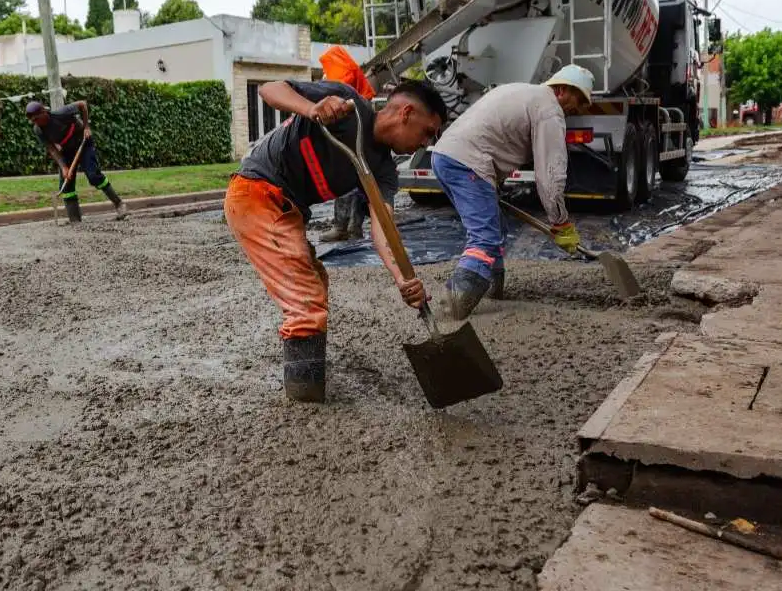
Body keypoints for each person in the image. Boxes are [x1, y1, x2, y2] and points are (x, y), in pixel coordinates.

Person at [225, 77, 449, 403]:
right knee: (305, 298)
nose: (425, 143)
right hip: (256, 192)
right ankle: (306, 402)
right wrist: (312, 108)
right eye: (427, 132)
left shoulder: (384, 170)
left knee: (315, 278)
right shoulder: (347, 105)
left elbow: (383, 227)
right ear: (406, 113)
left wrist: (404, 280)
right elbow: (270, 89)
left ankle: (306, 377)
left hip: (285, 206)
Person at [430, 64, 594, 321]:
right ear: (562, 90)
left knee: (495, 228)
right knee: (484, 237)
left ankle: (494, 292)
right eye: (579, 100)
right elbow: (550, 175)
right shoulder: (549, 109)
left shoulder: (522, 91)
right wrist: (560, 222)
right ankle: (453, 305)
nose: (579, 109)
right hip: (469, 161)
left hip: (445, 156)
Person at [26, 100, 128, 223]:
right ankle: (75, 220)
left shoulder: (61, 113)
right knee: (66, 185)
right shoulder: (38, 130)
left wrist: (86, 127)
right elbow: (52, 149)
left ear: (43, 112)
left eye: (36, 119)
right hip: (67, 150)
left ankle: (119, 204)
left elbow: (83, 104)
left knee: (93, 176)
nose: (35, 122)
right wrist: (63, 167)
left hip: (83, 143)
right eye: (33, 121)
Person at [315, 46, 373, 244]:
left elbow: (334, 96)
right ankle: (354, 227)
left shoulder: (340, 72)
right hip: (358, 125)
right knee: (358, 181)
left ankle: (342, 228)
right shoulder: (348, 70)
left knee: (346, 178)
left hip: (349, 128)